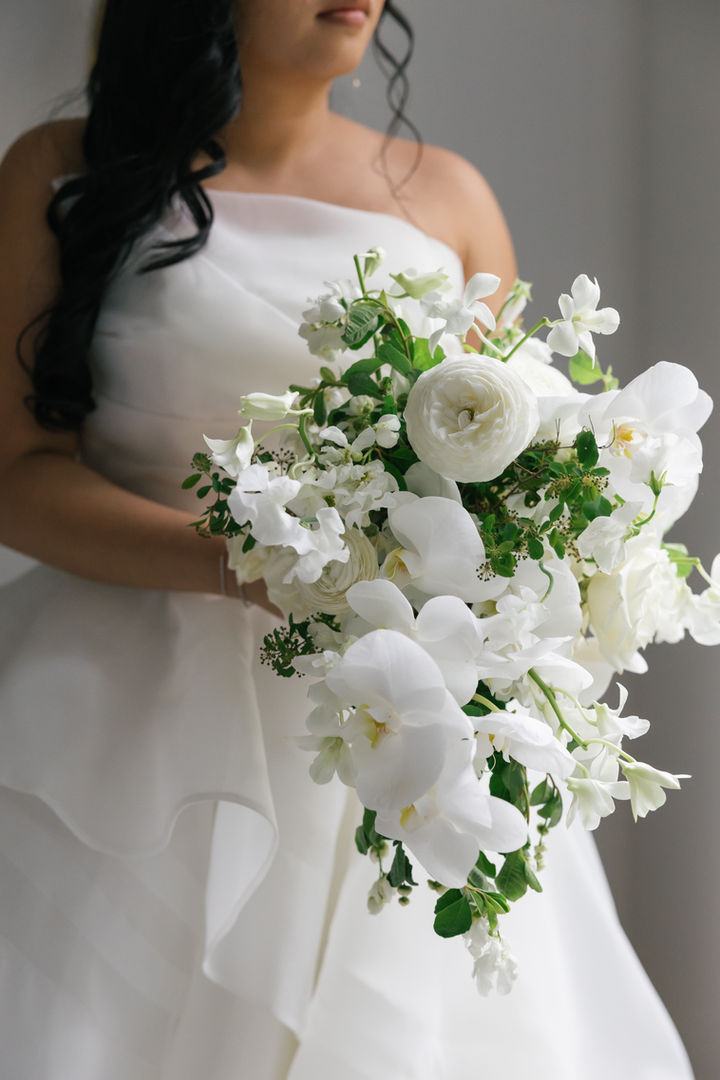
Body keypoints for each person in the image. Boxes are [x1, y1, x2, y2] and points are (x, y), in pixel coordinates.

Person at [0, 1, 695, 1077]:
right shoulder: (60, 171)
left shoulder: (450, 198)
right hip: (116, 720)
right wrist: (246, 566)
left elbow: (508, 487)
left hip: (390, 729)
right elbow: (15, 476)